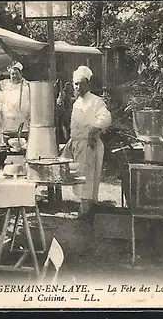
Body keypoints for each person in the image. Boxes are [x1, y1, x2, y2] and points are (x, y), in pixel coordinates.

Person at [62, 66, 112, 221]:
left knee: (87, 177)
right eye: (76, 84)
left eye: (81, 84)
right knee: (78, 176)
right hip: (77, 143)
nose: (78, 87)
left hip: (89, 144)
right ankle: (85, 205)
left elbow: (106, 116)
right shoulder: (77, 102)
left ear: (88, 84)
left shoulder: (96, 100)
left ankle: (86, 210)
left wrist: (95, 128)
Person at [0, 61, 31, 132]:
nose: (14, 76)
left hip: (22, 121)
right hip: (8, 122)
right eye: (12, 74)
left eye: (16, 74)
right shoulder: (5, 86)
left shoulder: (28, 86)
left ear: (21, 74)